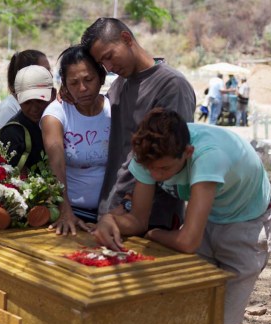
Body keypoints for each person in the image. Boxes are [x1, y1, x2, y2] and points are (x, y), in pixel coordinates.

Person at [93, 108, 271, 324]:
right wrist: (109, 219)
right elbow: (136, 219)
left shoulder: (208, 156)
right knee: (207, 318)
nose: (158, 176)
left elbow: (187, 240)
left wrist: (156, 234)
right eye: (152, 169)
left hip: (246, 224)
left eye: (164, 169)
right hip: (211, 216)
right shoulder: (151, 154)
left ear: (187, 153)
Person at [80, 17, 196, 231]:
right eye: (102, 63)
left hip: (152, 217)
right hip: (112, 211)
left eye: (109, 57)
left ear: (126, 39)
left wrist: (126, 204)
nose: (109, 67)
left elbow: (168, 155)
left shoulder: (171, 86)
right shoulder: (119, 86)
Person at [41, 44, 111, 235]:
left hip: (111, 214)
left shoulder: (114, 110)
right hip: (72, 213)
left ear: (102, 78)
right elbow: (56, 164)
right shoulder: (55, 114)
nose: (82, 88)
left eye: (89, 79)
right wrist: (65, 211)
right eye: (74, 83)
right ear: (64, 84)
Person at [0, 65, 56, 171]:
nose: (34, 108)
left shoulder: (63, 120)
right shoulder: (13, 133)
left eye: (40, 101)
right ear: (16, 98)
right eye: (27, 102)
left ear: (53, 95)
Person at [0, 50, 51, 133]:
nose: (50, 75)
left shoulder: (48, 100)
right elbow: (1, 143)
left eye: (49, 70)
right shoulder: (9, 107)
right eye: (45, 70)